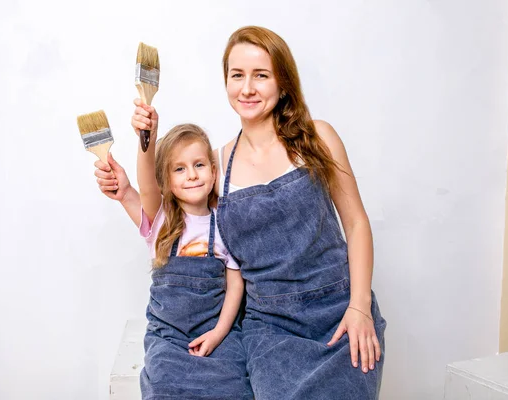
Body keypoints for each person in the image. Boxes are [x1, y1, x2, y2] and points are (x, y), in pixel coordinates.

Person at [96, 25, 387, 399]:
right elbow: (159, 209)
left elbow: (357, 223)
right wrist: (143, 146)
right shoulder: (216, 165)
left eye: (260, 75)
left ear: (282, 83)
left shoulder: (320, 138)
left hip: (339, 311)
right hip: (271, 330)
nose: (247, 88)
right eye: (237, 76)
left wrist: (359, 307)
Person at [94, 111, 253, 399]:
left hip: (217, 331)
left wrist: (219, 333)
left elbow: (235, 286)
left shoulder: (225, 223)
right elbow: (144, 187)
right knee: (165, 386)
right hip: (168, 336)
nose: (191, 174)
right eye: (179, 169)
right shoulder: (162, 221)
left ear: (214, 172)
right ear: (165, 179)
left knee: (234, 387)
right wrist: (148, 139)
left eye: (199, 164)